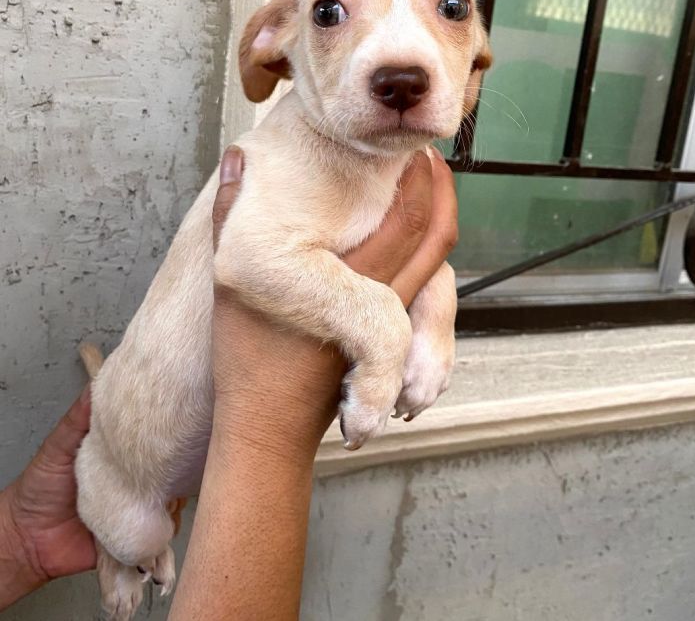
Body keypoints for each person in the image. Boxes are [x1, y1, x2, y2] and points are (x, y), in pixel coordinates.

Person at [0, 145, 458, 619]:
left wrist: (436, 309)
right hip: (141, 456)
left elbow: (369, 248)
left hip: (194, 443)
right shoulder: (288, 153)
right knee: (138, 537)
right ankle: (113, 548)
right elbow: (253, 258)